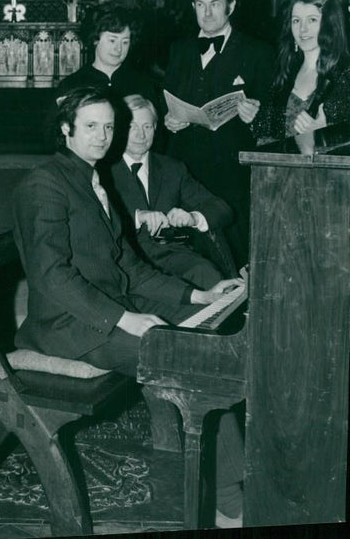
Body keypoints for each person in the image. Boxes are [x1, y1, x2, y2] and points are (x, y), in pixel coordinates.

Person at [12, 85, 246, 528]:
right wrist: (124, 318)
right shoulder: (43, 184)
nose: (102, 136)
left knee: (207, 333)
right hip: (69, 327)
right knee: (190, 359)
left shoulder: (94, 178)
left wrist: (197, 296)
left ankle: (228, 478)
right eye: (90, 127)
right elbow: (50, 277)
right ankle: (230, 502)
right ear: (65, 130)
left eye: (108, 127)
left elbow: (128, 265)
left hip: (110, 307)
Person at [163, 0, 273, 267]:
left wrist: (256, 115)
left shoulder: (258, 52)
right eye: (200, 4)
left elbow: (273, 118)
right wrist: (169, 121)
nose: (207, 13)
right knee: (186, 256)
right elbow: (169, 102)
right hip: (184, 169)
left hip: (231, 173)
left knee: (233, 256)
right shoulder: (179, 50)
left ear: (231, 6)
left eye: (215, 4)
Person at [106, 94, 233, 289]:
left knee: (208, 276)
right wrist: (138, 217)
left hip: (171, 257)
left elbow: (221, 208)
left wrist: (193, 217)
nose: (141, 135)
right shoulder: (103, 170)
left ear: (155, 128)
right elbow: (93, 219)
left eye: (147, 127)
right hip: (122, 259)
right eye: (132, 127)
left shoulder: (172, 169)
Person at [252, 0, 350, 143]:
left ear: (329, 24)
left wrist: (323, 134)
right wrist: (255, 116)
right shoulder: (284, 70)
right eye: (296, 21)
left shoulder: (346, 73)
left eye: (312, 20)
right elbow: (264, 134)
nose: (302, 29)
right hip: (279, 167)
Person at [57, 7, 157, 106]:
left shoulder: (143, 85)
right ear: (95, 40)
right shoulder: (71, 85)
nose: (118, 49)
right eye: (112, 40)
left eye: (125, 42)